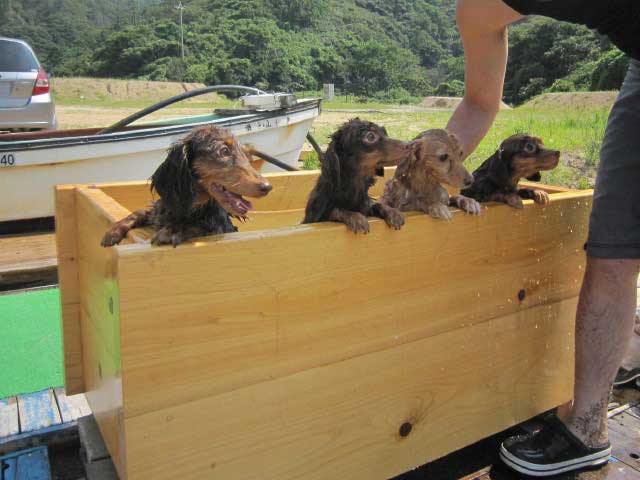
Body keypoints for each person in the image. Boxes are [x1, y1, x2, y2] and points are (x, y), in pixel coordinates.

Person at [446, 0, 640, 476]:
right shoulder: (479, 8)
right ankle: (586, 428)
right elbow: (479, 104)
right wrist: (426, 175)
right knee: (614, 244)